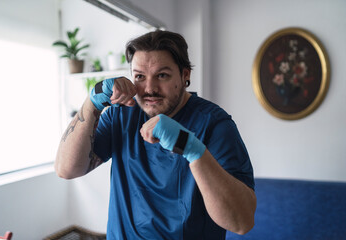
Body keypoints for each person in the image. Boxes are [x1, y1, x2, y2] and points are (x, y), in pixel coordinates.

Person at [55, 30, 256, 239]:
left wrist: (192, 149)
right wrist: (92, 103)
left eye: (162, 75)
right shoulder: (121, 114)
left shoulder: (215, 124)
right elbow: (66, 169)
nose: (149, 89)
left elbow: (241, 222)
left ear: (185, 75)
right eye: (140, 77)